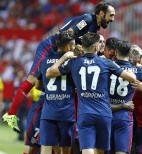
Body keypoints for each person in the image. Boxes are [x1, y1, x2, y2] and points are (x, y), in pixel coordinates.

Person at [2, 1, 116, 132]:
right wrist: (75, 49)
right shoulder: (87, 19)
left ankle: (44, 124)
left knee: (41, 85)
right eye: (111, 15)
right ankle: (10, 114)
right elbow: (68, 33)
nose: (112, 19)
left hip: (62, 51)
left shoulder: (94, 27)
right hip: (51, 47)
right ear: (101, 13)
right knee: (32, 80)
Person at [46, 32, 136, 154]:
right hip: (104, 114)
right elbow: (131, 78)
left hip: (85, 114)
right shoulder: (106, 63)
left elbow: (50, 73)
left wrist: (64, 57)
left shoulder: (74, 63)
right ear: (95, 49)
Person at [35, 31, 77, 154]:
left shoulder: (45, 61)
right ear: (69, 48)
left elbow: (37, 85)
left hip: (48, 112)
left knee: (45, 153)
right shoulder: (73, 62)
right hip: (66, 112)